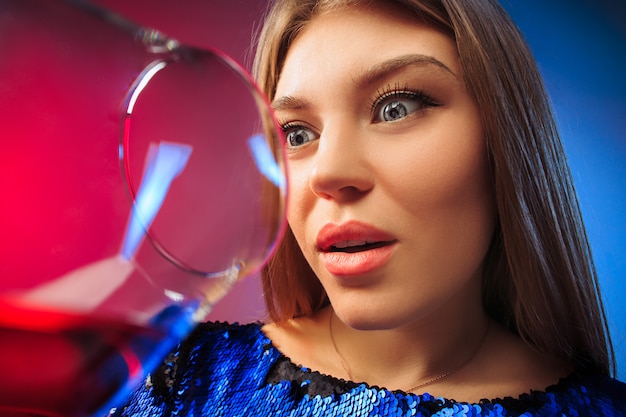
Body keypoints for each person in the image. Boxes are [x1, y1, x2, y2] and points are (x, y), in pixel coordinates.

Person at [110, 0, 626, 415]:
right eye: (296, 133)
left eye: (395, 107)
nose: (328, 175)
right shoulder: (171, 382)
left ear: (505, 139)